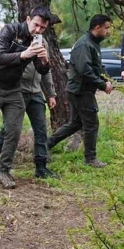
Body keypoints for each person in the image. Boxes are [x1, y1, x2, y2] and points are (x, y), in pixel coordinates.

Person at [0, 6, 52, 191]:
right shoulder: (10, 30)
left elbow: (41, 69)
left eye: (43, 28)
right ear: (28, 19)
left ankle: (4, 170)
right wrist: (24, 54)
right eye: (36, 25)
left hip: (13, 90)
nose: (38, 30)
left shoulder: (38, 41)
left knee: (13, 131)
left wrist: (44, 60)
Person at [47, 14, 114, 168]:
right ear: (97, 28)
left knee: (75, 123)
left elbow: (96, 67)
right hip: (80, 91)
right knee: (91, 123)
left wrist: (105, 81)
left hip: (81, 90)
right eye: (106, 28)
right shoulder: (85, 44)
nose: (108, 31)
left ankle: (45, 144)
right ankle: (90, 158)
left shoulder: (93, 43)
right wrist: (102, 85)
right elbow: (85, 70)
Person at [0, 62, 58, 179]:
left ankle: (41, 167)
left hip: (36, 93)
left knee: (41, 130)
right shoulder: (18, 43)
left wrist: (50, 94)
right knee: (8, 129)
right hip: (18, 92)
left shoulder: (43, 44)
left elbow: (46, 69)